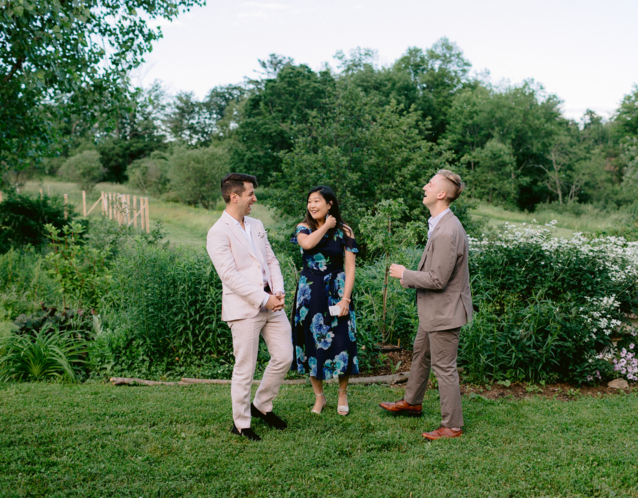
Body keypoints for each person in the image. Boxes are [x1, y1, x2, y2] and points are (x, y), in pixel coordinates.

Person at [380, 170, 473, 441]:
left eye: (430, 184)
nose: (425, 187)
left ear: (441, 194)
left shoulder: (447, 231)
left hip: (444, 311)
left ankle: (452, 426)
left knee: (444, 367)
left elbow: (438, 279)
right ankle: (412, 402)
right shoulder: (439, 224)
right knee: (421, 354)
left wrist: (405, 275)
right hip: (434, 311)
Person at [207, 173, 293, 442]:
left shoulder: (256, 224)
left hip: (272, 304)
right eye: (250, 194)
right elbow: (230, 276)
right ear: (235, 197)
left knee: (284, 356)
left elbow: (271, 260)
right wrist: (262, 298)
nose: (254, 198)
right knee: (245, 367)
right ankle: (241, 423)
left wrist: (277, 291)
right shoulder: (218, 232)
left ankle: (261, 406)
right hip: (244, 309)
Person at [290, 186, 359, 416]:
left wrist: (346, 298)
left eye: (317, 201)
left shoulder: (345, 231)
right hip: (309, 292)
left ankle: (342, 393)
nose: (312, 205)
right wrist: (326, 226)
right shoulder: (303, 228)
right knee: (310, 343)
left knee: (342, 340)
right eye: (309, 201)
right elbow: (307, 244)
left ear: (330, 204)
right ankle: (319, 397)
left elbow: (350, 268)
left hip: (337, 289)